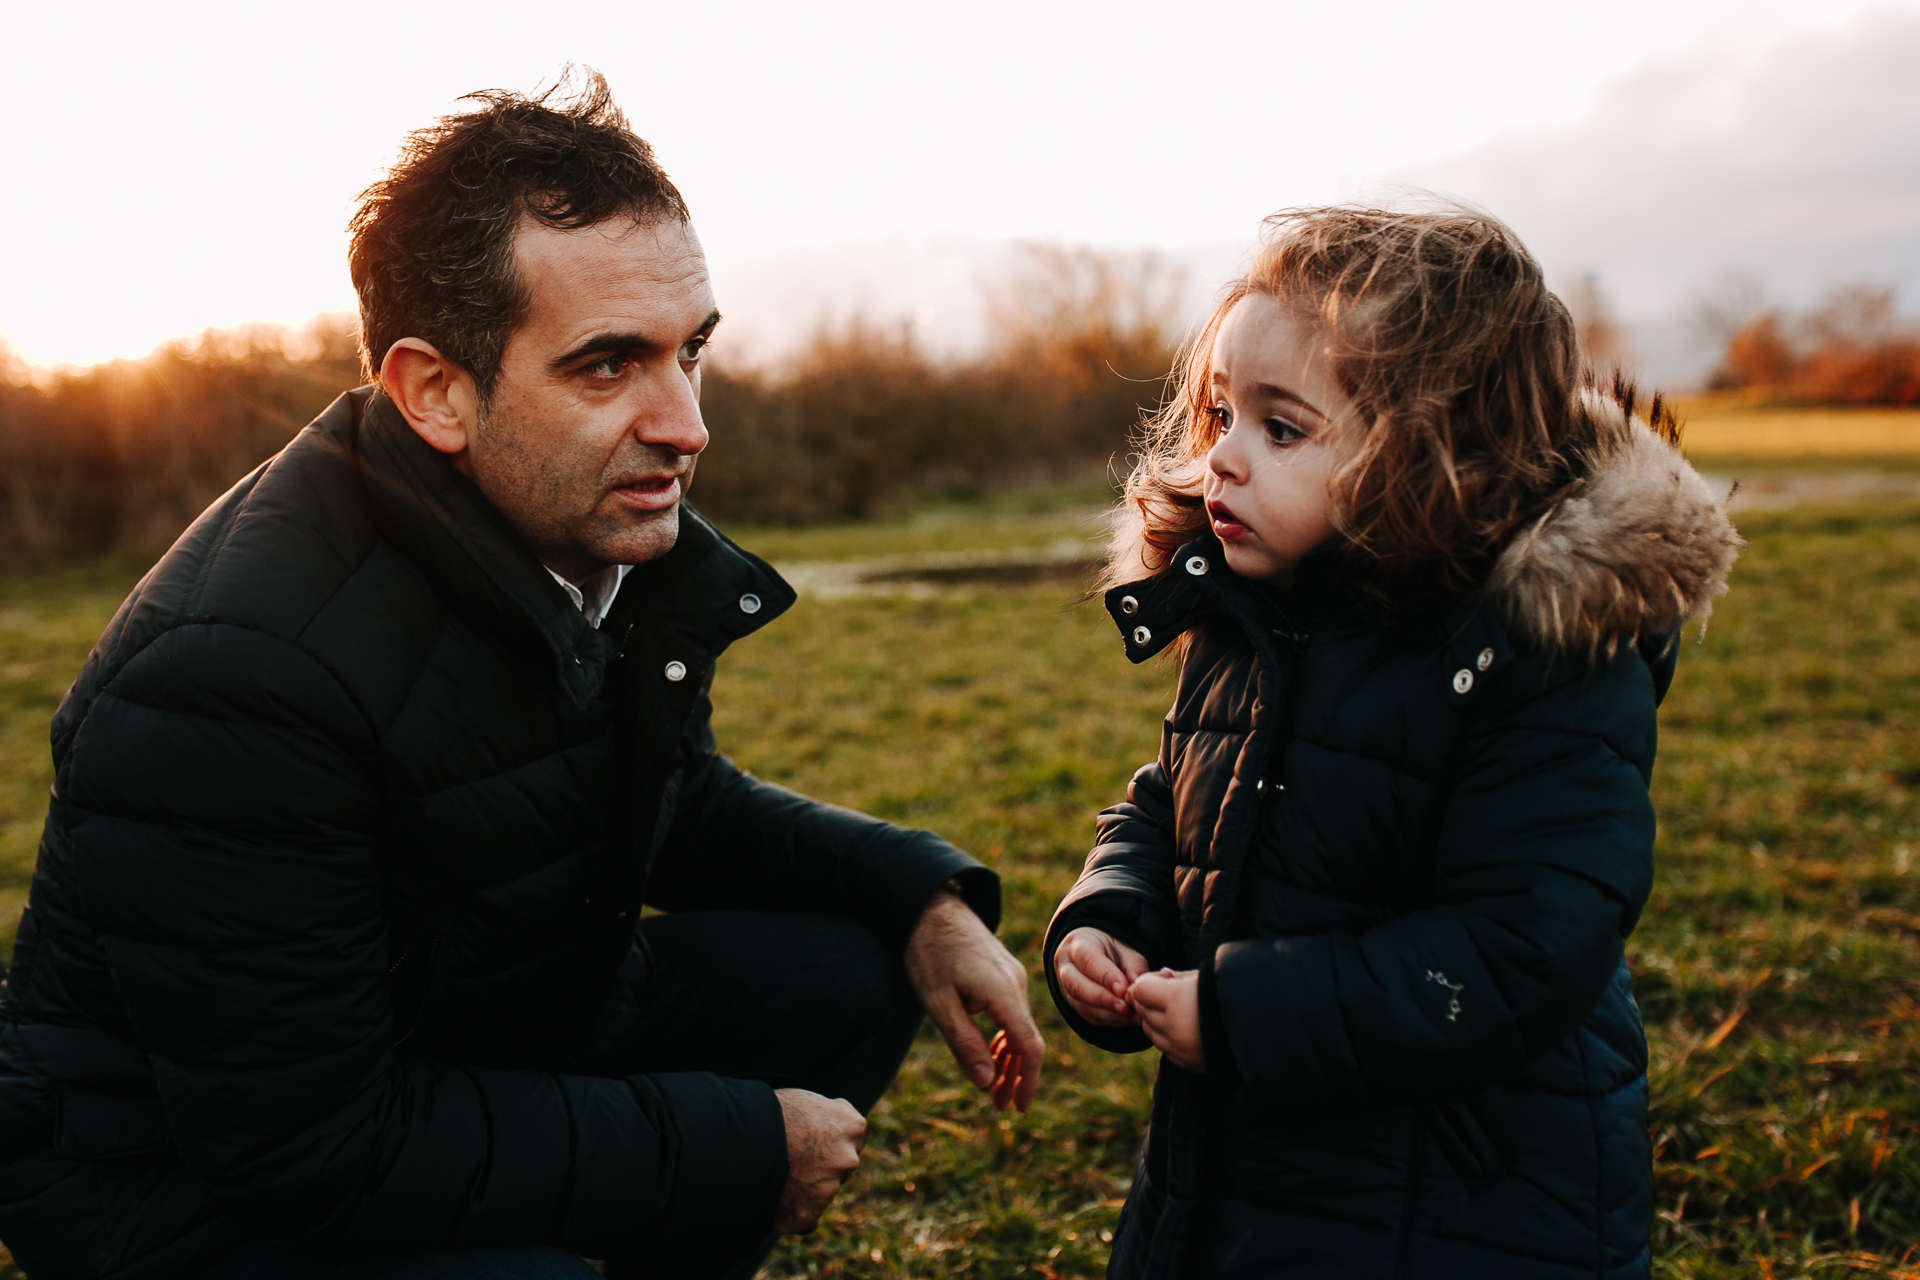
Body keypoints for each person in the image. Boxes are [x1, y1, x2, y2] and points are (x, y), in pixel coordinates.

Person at [0, 73, 1041, 1280]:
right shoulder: (235, 674)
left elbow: (665, 803)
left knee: (836, 968)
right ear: (434, 390)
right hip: (185, 1181)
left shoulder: (578, 531)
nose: (686, 422)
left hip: (452, 1035)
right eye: (609, 366)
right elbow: (305, 1145)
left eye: (688, 352)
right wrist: (732, 1141)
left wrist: (923, 895)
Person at [1042, 206, 1742, 1278]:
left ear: (1436, 453)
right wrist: (1114, 910)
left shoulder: (1534, 657)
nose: (1221, 457)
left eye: (1281, 428)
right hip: (1233, 1182)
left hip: (1468, 1204)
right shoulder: (1256, 613)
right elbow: (1175, 794)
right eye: (1221, 411)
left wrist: (1246, 1013)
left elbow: (1519, 949)